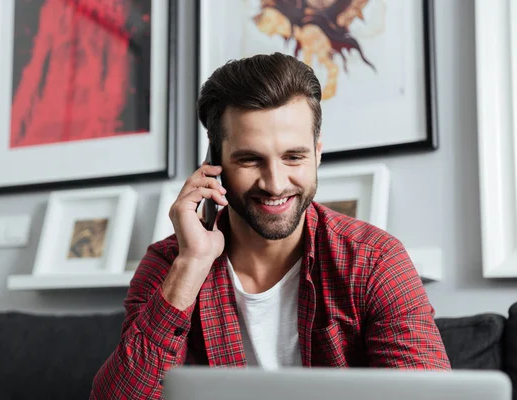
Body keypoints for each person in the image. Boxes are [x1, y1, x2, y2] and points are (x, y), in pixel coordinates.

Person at [90, 52, 451, 400]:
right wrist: (191, 265)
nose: (275, 184)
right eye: (250, 159)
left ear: (318, 154)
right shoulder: (170, 264)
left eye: (294, 157)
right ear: (214, 163)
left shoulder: (375, 262)